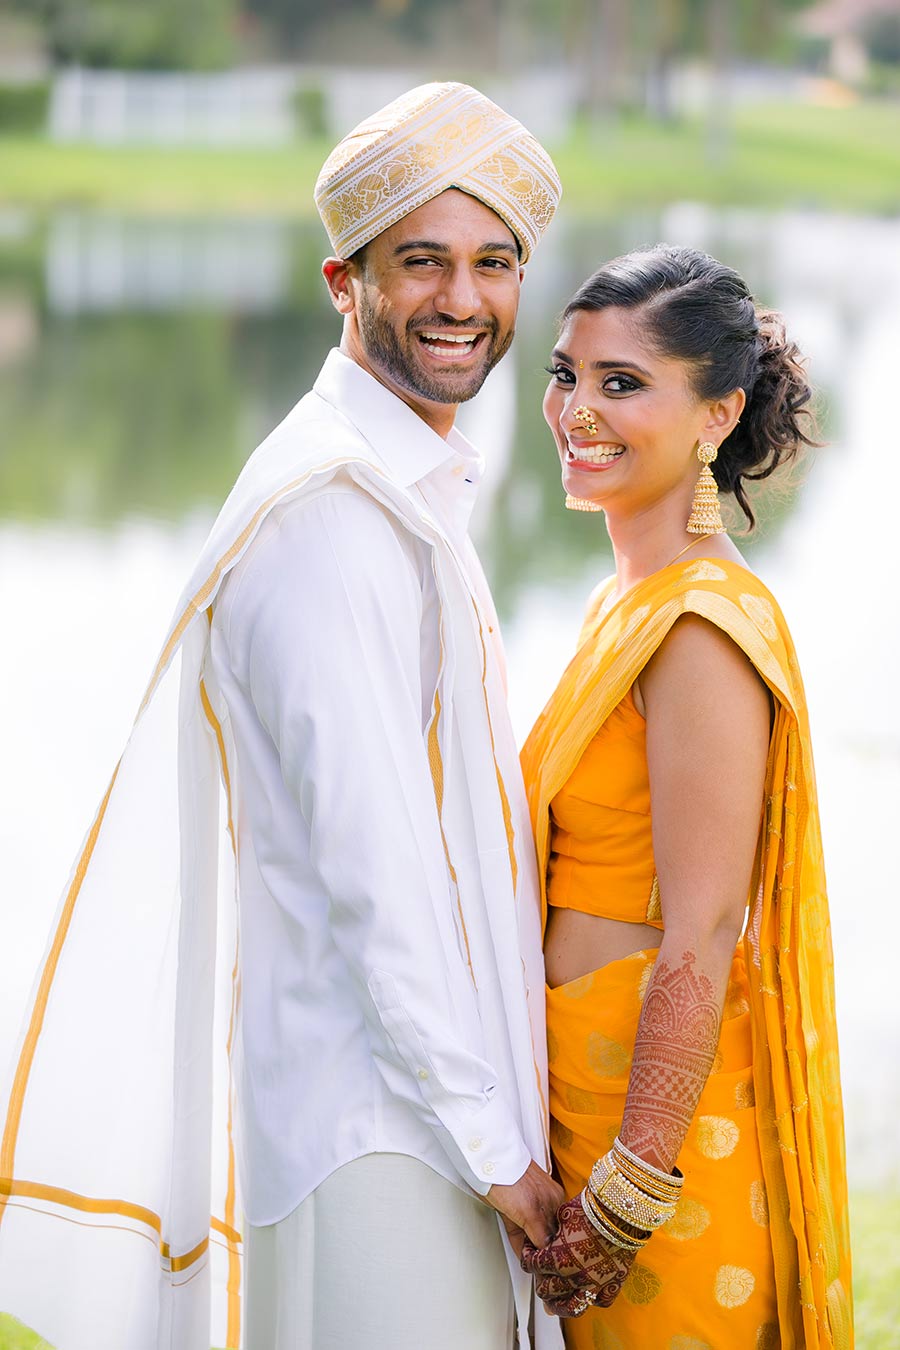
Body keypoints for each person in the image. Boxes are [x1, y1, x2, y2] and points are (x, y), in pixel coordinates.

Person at [0, 84, 565, 1350]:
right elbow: (379, 876)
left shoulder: (398, 487)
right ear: (342, 278)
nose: (463, 300)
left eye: (493, 262)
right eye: (421, 262)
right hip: (376, 1136)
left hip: (423, 1118)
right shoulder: (325, 517)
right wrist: (494, 1149)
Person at [518, 245, 853, 1347]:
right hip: (575, 1091)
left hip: (656, 1143)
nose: (577, 411)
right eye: (568, 375)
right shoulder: (628, 601)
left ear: (717, 414)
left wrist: (631, 1190)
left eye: (624, 384)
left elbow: (703, 930)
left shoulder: (701, 628)